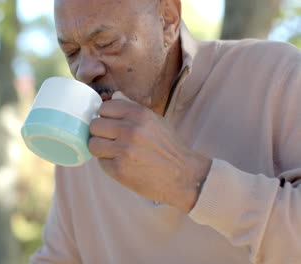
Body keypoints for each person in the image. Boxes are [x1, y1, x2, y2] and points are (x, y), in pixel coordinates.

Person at [30, 0, 301, 263]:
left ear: (168, 19)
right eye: (72, 52)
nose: (84, 71)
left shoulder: (279, 75)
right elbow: (59, 256)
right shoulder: (80, 132)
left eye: (106, 44)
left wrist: (191, 181)